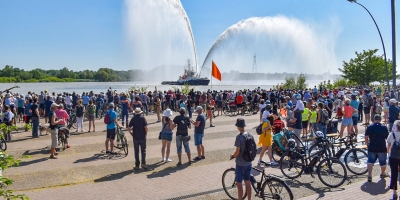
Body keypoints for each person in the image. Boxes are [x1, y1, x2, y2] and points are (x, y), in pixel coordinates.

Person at [230, 118, 253, 200]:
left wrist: (232, 156)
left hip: (240, 163)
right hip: (249, 162)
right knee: (247, 182)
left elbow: (237, 151)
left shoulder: (239, 137)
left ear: (238, 127)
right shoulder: (250, 134)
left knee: (239, 183)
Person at [365, 114, 389, 182]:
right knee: (383, 162)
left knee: (370, 161)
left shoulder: (369, 127)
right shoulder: (384, 127)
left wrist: (367, 143)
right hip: (382, 147)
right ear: (380, 120)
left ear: (374, 119)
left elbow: (366, 136)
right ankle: (383, 173)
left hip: (372, 146)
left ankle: (369, 175)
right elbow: (387, 137)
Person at [387, 120, 400, 199]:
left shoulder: (392, 134)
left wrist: (389, 154)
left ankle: (394, 193)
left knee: (394, 174)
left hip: (393, 157)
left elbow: (388, 146)